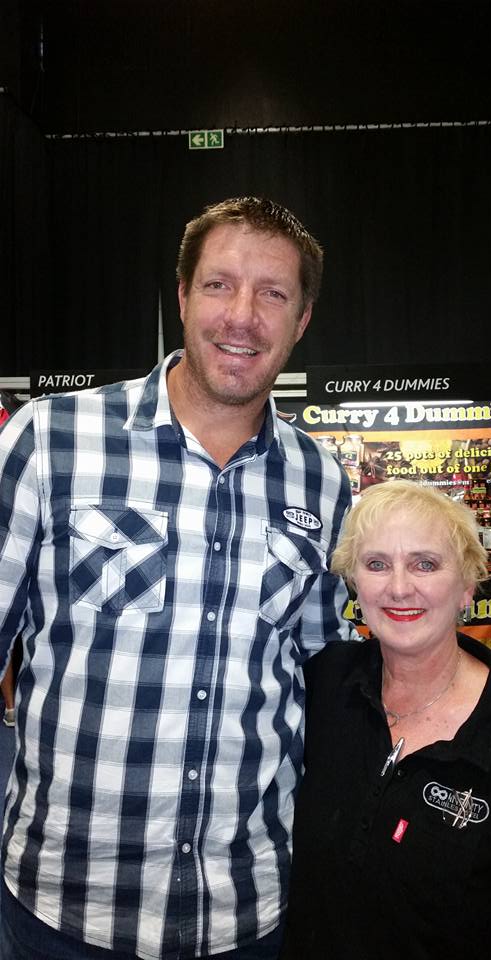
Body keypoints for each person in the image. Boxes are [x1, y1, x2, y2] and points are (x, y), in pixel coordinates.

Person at [0, 197, 353, 960]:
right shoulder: (52, 441)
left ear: (302, 320)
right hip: (65, 911)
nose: (243, 316)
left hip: (249, 911)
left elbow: (325, 675)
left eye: (273, 294)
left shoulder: (323, 483)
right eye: (220, 284)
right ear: (184, 295)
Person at [281, 479, 491, 960]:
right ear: (355, 583)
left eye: (425, 564)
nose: (398, 587)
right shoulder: (323, 684)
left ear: (467, 586)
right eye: (377, 564)